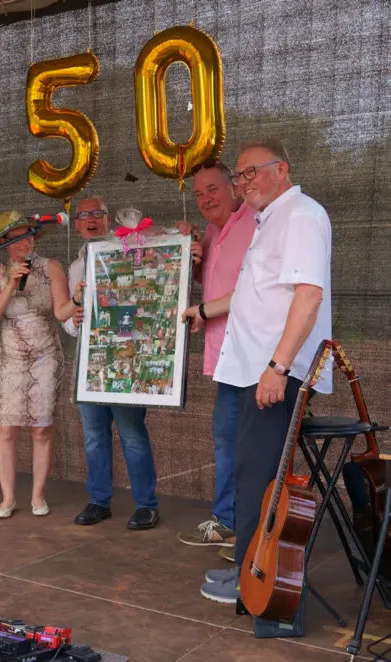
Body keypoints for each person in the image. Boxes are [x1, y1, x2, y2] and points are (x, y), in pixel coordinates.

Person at [182, 138, 332, 604]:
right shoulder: (271, 220)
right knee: (251, 474)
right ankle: (250, 566)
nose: (244, 183)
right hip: (253, 369)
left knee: (262, 478)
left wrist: (278, 367)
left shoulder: (302, 215)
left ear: (281, 169)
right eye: (241, 175)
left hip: (274, 373)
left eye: (251, 173)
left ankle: (261, 582)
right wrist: (203, 310)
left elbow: (308, 297)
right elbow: (255, 295)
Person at [175, 159, 257, 559]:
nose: (206, 198)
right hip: (224, 356)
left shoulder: (257, 224)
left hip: (256, 356)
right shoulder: (211, 231)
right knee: (225, 439)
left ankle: (254, 531)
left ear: (234, 188)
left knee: (252, 444)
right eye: (199, 193)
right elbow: (204, 284)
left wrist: (204, 310)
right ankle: (227, 521)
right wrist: (187, 257)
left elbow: (251, 291)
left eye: (212, 189)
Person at [63, 195, 160, 531]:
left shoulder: (129, 250)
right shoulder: (75, 266)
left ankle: (146, 504)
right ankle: (99, 500)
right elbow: (65, 318)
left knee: (132, 434)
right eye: (84, 215)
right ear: (76, 224)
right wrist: (74, 320)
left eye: (98, 213)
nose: (91, 219)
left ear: (108, 219)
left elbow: (146, 293)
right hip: (88, 365)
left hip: (123, 361)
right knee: (93, 435)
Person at [0, 210, 83, 519]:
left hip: (45, 356)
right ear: (4, 244)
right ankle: (8, 497)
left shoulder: (50, 266)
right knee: (6, 428)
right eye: (14, 239)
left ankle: (38, 495)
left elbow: (61, 312)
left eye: (26, 236)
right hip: (11, 357)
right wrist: (10, 285)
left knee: (41, 429)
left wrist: (78, 300)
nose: (22, 244)